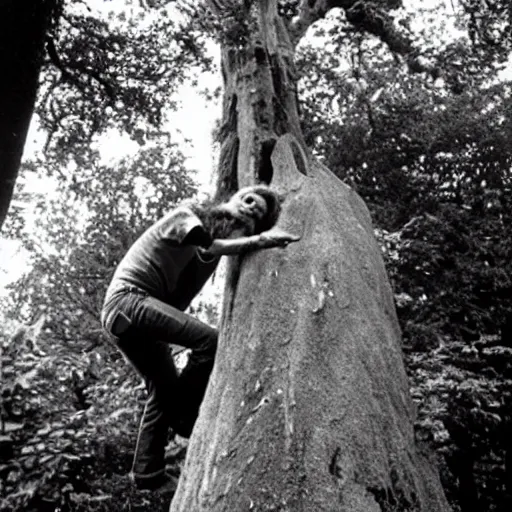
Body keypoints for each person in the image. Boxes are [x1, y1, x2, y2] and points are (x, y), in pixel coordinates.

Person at [100, 185, 299, 492]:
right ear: (229, 199)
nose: (249, 208)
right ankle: (183, 416)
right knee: (209, 341)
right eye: (247, 200)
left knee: (163, 390)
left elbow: (211, 249)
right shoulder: (185, 216)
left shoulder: (208, 255)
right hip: (128, 301)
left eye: (256, 213)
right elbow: (208, 241)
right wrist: (260, 240)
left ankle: (147, 473)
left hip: (136, 322)